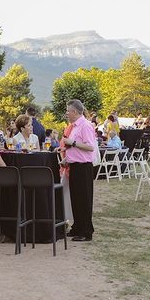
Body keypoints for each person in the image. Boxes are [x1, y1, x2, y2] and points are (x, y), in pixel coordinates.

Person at [60, 99, 97, 242]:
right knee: (76, 198)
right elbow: (74, 147)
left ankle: (86, 231)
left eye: (68, 111)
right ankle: (77, 227)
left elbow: (90, 147)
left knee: (84, 199)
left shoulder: (85, 126)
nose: (67, 113)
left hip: (83, 167)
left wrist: (72, 143)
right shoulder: (74, 126)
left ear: (74, 112)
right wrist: (66, 157)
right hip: (74, 165)